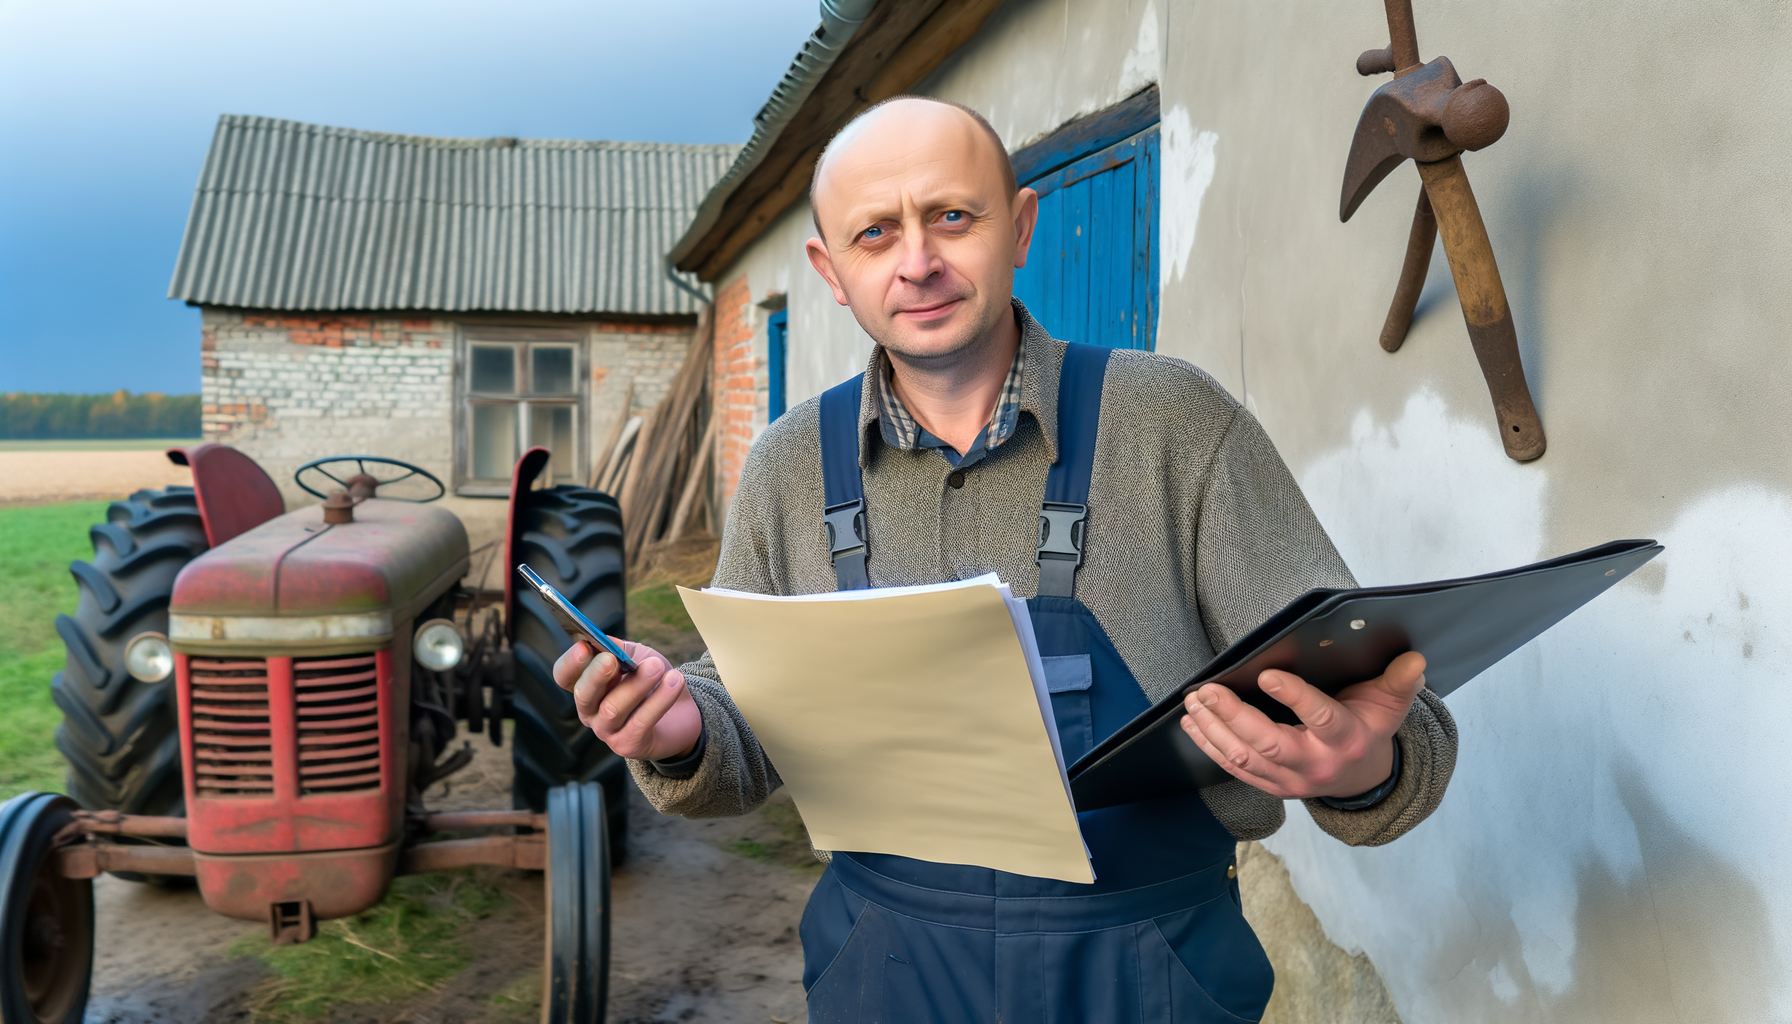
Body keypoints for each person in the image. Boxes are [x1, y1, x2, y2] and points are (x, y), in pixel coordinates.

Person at [554, 96, 1456, 1022]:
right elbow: (741, 726)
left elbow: (1396, 721)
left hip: (1149, 975)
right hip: (887, 973)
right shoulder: (789, 467)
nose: (918, 262)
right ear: (830, 269)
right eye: (874, 234)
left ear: (1020, 227)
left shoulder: (1177, 427)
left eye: (952, 216)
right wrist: (679, 728)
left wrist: (1360, 764)